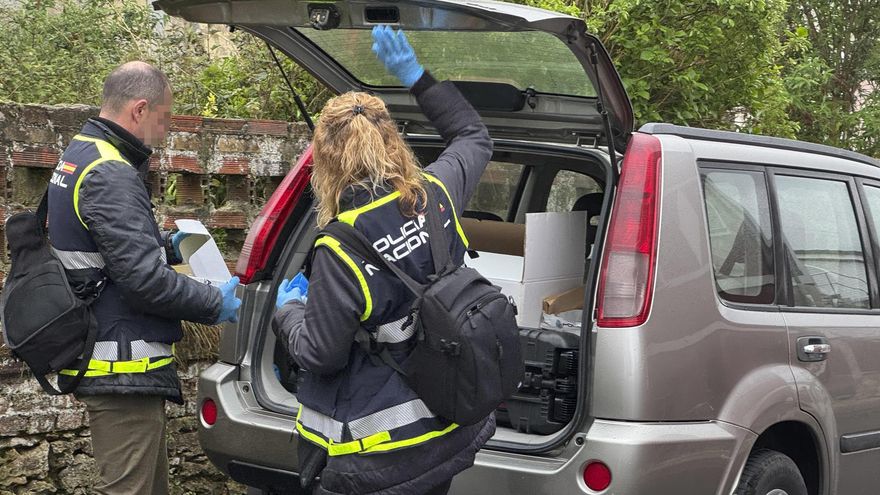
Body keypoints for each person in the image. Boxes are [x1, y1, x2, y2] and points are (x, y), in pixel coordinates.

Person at [272, 26, 494, 495]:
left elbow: (320, 355)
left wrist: (288, 312)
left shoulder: (339, 247)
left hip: (377, 454)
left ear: (326, 161)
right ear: (392, 140)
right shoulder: (436, 194)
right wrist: (415, 75)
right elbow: (472, 134)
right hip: (444, 432)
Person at [47, 61, 241, 494]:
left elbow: (104, 252)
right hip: (120, 369)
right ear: (139, 109)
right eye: (165, 117)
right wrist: (219, 303)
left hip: (111, 361)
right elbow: (144, 283)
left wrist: (164, 246)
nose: (167, 129)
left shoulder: (80, 153)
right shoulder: (111, 172)